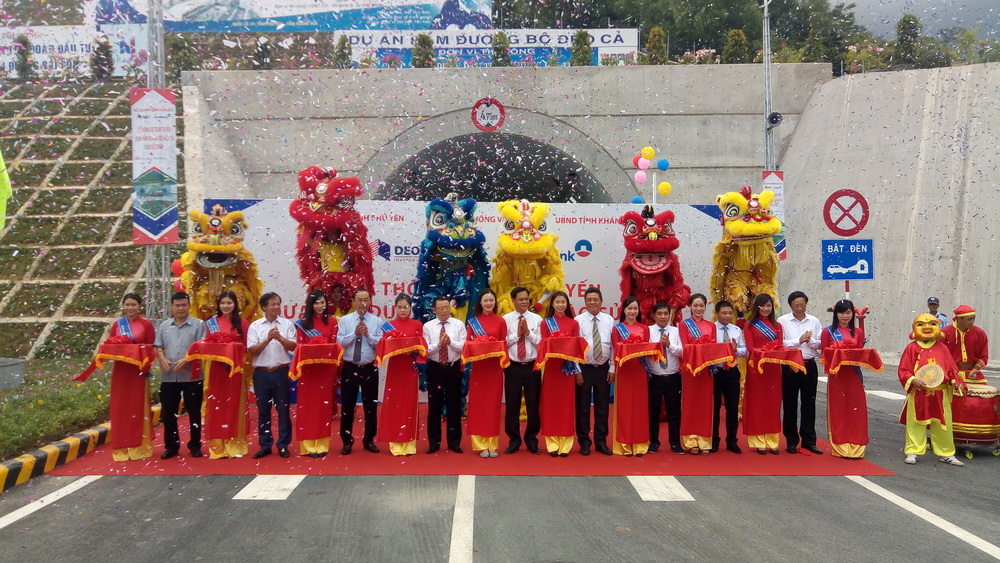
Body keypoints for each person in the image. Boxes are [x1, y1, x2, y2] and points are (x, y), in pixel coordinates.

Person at [898, 313, 967, 466]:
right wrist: (912, 379)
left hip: (940, 393)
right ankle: (913, 450)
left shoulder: (942, 348)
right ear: (914, 328)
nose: (927, 327)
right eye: (921, 324)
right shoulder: (912, 348)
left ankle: (946, 453)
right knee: (916, 423)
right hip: (919, 393)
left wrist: (957, 382)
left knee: (943, 425)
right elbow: (904, 370)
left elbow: (952, 370)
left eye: (932, 324)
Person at [153, 291, 206, 459]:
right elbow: (158, 346)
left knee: (194, 412)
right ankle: (171, 446)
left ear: (189, 306)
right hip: (169, 376)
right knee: (168, 413)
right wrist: (161, 358)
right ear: (172, 307)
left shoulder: (199, 324)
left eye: (184, 305)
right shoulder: (164, 326)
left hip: (192, 376)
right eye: (177, 305)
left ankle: (195, 445)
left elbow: (202, 348)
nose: (181, 308)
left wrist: (187, 359)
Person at [247, 292, 296, 459]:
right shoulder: (255, 326)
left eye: (278, 304)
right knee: (263, 410)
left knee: (283, 409)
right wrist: (267, 339)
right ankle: (265, 444)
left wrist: (279, 338)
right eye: (272, 304)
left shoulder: (287, 324)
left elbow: (293, 346)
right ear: (264, 307)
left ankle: (283, 444)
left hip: (281, 372)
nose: (276, 307)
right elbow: (252, 350)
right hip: (261, 374)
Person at [202, 290, 250, 459]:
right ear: (218, 305)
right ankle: (217, 447)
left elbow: (246, 347)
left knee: (235, 405)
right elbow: (207, 345)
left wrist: (232, 355)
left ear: (235, 304)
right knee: (217, 405)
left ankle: (235, 445)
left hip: (235, 370)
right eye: (223, 303)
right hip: (216, 370)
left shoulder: (242, 323)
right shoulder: (211, 323)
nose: (226, 306)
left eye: (229, 303)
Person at [108, 293, 156, 461]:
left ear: (139, 306)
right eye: (127, 304)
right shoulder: (117, 325)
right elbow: (111, 345)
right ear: (123, 305)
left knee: (138, 406)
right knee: (120, 406)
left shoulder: (146, 324)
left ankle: (140, 447)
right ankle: (122, 446)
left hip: (138, 371)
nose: (130, 308)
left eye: (133, 305)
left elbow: (151, 347)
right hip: (121, 371)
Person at [820, 299, 869, 459]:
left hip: (854, 374)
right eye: (841, 312)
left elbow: (860, 352)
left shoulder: (858, 332)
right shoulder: (828, 332)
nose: (845, 316)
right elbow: (824, 355)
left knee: (857, 409)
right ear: (836, 314)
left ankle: (857, 445)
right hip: (837, 375)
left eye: (848, 312)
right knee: (839, 409)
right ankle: (840, 446)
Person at [336, 289, 383, 455]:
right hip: (350, 368)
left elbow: (380, 343)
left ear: (370, 301)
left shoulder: (377, 321)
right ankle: (347, 441)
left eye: (366, 300)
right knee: (347, 406)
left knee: (370, 406)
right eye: (359, 300)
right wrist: (354, 334)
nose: (363, 303)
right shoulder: (345, 321)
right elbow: (340, 342)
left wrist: (368, 336)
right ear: (353, 302)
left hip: (369, 367)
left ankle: (369, 439)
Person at [377, 293, 424, 456]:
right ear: (395, 308)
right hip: (395, 369)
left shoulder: (417, 324)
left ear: (410, 307)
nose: (403, 310)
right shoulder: (389, 326)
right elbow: (383, 347)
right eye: (400, 307)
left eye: (406, 307)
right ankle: (395, 443)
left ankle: (409, 443)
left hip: (410, 369)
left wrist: (412, 349)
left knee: (409, 404)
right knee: (395, 404)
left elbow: (422, 347)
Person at [777, 291, 823, 454]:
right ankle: (791, 440)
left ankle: (809, 441)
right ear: (790, 305)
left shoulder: (814, 321)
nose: (799, 307)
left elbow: (820, 343)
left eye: (802, 304)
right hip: (790, 365)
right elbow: (779, 343)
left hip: (809, 364)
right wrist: (799, 340)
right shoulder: (782, 321)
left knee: (809, 403)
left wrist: (811, 341)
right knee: (790, 403)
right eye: (796, 305)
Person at [294, 290, 339, 458]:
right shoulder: (303, 323)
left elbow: (334, 346)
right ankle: (307, 446)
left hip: (324, 371)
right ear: (310, 305)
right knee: (308, 408)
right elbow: (299, 347)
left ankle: (321, 444)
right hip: (308, 372)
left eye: (322, 302)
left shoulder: (333, 322)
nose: (320, 306)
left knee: (323, 407)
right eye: (316, 303)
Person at [465, 289, 507, 458]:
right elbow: (468, 345)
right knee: (479, 406)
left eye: (491, 300)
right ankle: (481, 445)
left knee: (493, 406)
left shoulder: (501, 322)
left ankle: (492, 444)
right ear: (480, 303)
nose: (489, 303)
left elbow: (504, 345)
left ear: (495, 303)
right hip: (479, 370)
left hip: (494, 370)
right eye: (486, 300)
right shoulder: (473, 322)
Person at [423, 296, 468, 453]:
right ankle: (434, 443)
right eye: (441, 308)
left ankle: (454, 442)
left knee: (454, 406)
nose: (444, 311)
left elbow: (464, 347)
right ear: (434, 310)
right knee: (434, 406)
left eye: (447, 307)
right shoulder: (428, 326)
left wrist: (450, 343)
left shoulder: (458, 325)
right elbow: (426, 350)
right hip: (435, 368)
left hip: (453, 368)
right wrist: (439, 345)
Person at [574, 286, 615, 456]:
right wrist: (577, 370)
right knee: (582, 408)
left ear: (601, 302)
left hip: (603, 368)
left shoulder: (609, 320)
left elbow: (613, 345)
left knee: (602, 407)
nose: (592, 302)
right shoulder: (578, 320)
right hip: (584, 368)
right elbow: (574, 347)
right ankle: (584, 442)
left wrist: (613, 367)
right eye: (589, 299)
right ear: (585, 302)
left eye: (595, 299)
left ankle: (601, 442)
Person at [502, 286, 543, 455]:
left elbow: (542, 343)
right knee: (512, 405)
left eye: (527, 299)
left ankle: (531, 440)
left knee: (534, 406)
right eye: (521, 299)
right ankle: (514, 440)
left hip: (532, 367)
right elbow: (502, 343)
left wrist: (528, 334)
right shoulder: (505, 320)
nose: (525, 302)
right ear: (513, 301)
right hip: (513, 367)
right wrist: (517, 335)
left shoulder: (537, 319)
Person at [539, 291, 580, 457]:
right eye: (557, 302)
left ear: (567, 304)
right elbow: (543, 345)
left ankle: (565, 443)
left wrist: (577, 371)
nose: (560, 305)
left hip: (567, 369)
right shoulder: (545, 323)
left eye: (563, 302)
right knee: (551, 405)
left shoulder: (573, 324)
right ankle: (552, 443)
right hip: (551, 369)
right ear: (552, 304)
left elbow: (576, 349)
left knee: (566, 405)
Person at [743, 293, 784, 455]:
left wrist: (772, 353)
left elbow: (779, 345)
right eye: (763, 306)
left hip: (773, 368)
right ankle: (759, 441)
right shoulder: (749, 325)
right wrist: (765, 352)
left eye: (769, 306)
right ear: (757, 307)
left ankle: (773, 441)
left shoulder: (778, 325)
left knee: (773, 404)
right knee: (758, 404)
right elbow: (750, 347)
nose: (766, 309)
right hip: (757, 368)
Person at [610, 296, 651, 456]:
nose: (632, 311)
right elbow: (615, 351)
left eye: (635, 308)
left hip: (640, 370)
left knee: (640, 408)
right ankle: (624, 444)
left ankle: (640, 443)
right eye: (629, 308)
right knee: (624, 408)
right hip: (624, 372)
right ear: (624, 310)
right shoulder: (617, 329)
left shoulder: (645, 329)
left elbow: (647, 351)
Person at [678, 293, 717, 454]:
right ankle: (690, 440)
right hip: (691, 369)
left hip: (706, 370)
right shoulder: (684, 324)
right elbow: (684, 347)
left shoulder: (711, 326)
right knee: (690, 404)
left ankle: (704, 441)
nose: (699, 309)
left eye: (701, 306)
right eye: (696, 305)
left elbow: (713, 348)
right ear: (690, 307)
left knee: (705, 405)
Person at [646, 301, 684, 454]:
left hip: (673, 377)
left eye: (666, 314)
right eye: (659, 314)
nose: (663, 317)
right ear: (654, 316)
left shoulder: (676, 331)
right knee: (653, 412)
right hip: (654, 378)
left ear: (670, 315)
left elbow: (682, 351)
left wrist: (669, 345)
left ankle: (675, 442)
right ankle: (653, 441)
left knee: (674, 412)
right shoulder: (647, 331)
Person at [712, 300, 746, 454]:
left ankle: (732, 440)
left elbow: (744, 351)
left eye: (730, 313)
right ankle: (713, 440)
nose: (727, 316)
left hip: (732, 371)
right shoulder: (711, 329)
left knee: (732, 408)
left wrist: (735, 349)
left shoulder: (736, 330)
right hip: (715, 371)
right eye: (724, 313)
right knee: (715, 408)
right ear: (717, 313)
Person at [941, 305, 989, 384]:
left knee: (988, 395)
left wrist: (975, 369)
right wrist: (952, 374)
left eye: (974, 318)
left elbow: (984, 356)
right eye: (969, 319)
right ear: (959, 319)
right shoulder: (944, 333)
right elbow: (941, 357)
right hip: (951, 375)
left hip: (973, 375)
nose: (972, 321)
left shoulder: (980, 333)